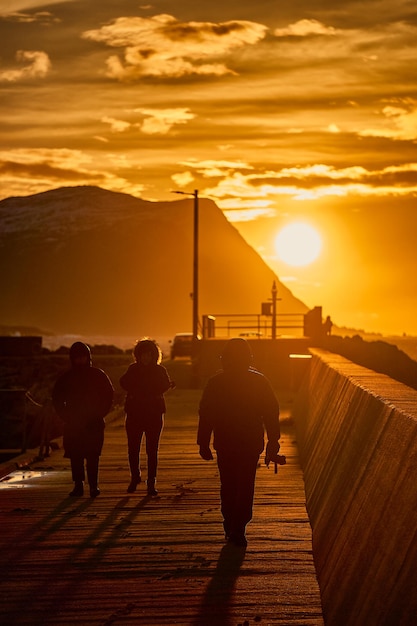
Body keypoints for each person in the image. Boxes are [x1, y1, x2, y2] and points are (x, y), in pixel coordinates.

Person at [197, 337, 281, 547]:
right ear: (249, 358)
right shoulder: (259, 381)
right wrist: (273, 440)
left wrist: (203, 442)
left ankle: (230, 524)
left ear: (224, 359)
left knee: (228, 485)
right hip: (250, 442)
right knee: (245, 485)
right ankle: (238, 528)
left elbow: (206, 414)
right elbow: (271, 412)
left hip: (225, 441)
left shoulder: (215, 383)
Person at [52, 341, 114, 498]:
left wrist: (100, 414)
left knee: (93, 455)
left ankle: (94, 486)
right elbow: (57, 399)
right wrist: (65, 416)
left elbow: (108, 396)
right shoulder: (66, 378)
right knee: (76, 455)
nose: (80, 360)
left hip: (94, 422)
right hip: (74, 423)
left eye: (83, 357)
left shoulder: (98, 375)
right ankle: (78, 485)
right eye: (77, 357)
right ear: (72, 358)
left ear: (88, 357)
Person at [120, 338, 175, 496]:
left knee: (152, 450)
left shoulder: (159, 370)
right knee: (133, 448)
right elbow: (123, 382)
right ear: (138, 355)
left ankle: (151, 482)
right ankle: (135, 477)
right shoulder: (133, 369)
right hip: (135, 414)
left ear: (154, 355)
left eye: (149, 355)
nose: (146, 358)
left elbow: (164, 385)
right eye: (143, 354)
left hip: (154, 414)